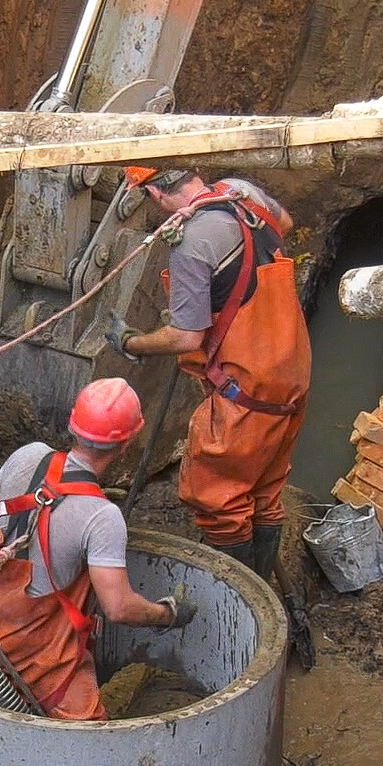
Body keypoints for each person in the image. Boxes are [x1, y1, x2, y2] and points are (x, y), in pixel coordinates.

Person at [105, 167, 311, 586]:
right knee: (265, 491)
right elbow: (283, 225)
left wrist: (132, 342)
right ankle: (265, 588)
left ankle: (242, 599)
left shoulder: (190, 244)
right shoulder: (242, 191)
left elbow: (186, 336)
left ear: (156, 195)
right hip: (290, 368)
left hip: (247, 392)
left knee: (218, 501)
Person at [0, 378, 197, 721]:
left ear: (73, 426)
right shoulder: (102, 517)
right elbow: (117, 608)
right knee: (89, 736)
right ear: (124, 445)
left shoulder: (29, 454)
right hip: (30, 650)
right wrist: (168, 614)